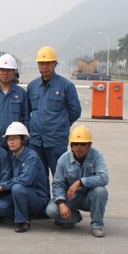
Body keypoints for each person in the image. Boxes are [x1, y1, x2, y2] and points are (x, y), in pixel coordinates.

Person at [27, 45, 82, 177]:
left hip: (56, 142)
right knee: (38, 178)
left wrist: (61, 124)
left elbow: (75, 111)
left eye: (48, 63)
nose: (44, 67)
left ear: (55, 64)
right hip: (36, 141)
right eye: (41, 63)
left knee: (60, 177)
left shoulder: (66, 86)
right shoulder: (32, 86)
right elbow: (27, 111)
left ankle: (59, 192)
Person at [45, 126, 109, 237]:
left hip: (89, 197)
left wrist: (80, 182)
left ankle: (97, 225)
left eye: (83, 144)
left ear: (89, 145)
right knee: (51, 210)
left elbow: (104, 178)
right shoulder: (63, 160)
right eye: (75, 144)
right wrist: (61, 204)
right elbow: (57, 184)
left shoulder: (97, 156)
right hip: (70, 198)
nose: (79, 147)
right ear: (71, 145)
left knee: (101, 191)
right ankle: (73, 217)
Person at [0, 122, 50, 233]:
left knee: (17, 187)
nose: (11, 142)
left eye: (15, 139)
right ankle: (25, 215)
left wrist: (4, 186)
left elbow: (25, 180)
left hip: (37, 197)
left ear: (23, 140)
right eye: (9, 139)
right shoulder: (11, 156)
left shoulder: (31, 156)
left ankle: (23, 221)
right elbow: (7, 176)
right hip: (18, 195)